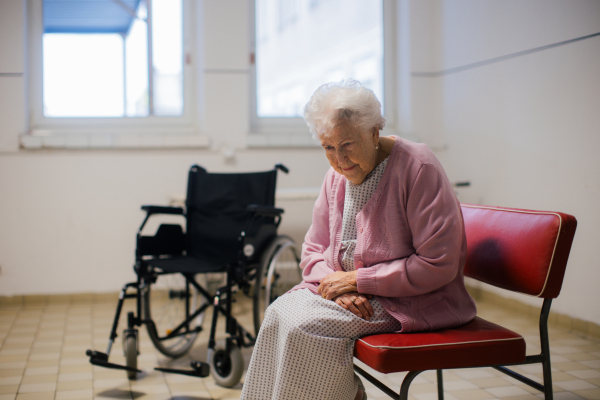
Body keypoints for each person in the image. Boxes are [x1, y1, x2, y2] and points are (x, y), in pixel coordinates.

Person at [240, 80, 477, 400]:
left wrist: (357, 281)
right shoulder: (335, 175)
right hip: (350, 291)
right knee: (277, 314)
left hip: (412, 300)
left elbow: (437, 265)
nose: (339, 160)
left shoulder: (417, 167)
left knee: (305, 326)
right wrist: (337, 287)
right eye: (328, 148)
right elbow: (312, 249)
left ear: (374, 132)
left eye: (347, 144)